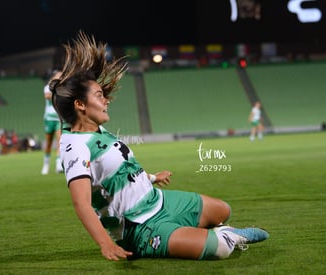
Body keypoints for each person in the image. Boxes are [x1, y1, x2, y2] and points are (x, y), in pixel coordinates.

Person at [50, 31, 269, 261]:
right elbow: (81, 202)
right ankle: (222, 235)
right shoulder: (74, 146)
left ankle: (202, 232)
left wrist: (152, 177)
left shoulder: (97, 130)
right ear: (80, 105)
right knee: (220, 249)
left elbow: (119, 170)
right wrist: (105, 243)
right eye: (98, 95)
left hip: (159, 200)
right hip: (139, 226)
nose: (106, 100)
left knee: (222, 210)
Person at [41, 73, 63, 175]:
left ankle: (58, 164)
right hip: (49, 119)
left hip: (58, 118)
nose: (60, 77)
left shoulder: (62, 88)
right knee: (49, 143)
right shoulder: (47, 87)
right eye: (58, 76)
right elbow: (47, 96)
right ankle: (46, 164)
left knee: (59, 141)